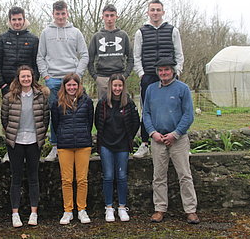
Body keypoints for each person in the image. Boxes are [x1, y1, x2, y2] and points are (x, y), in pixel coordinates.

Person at [142, 58, 199, 224]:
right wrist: (152, 133)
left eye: (166, 70)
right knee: (158, 177)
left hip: (178, 139)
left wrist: (176, 134)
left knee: (184, 175)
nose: (163, 73)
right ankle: (159, 209)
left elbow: (188, 115)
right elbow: (146, 114)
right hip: (158, 139)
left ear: (173, 71)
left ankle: (190, 210)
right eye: (160, 70)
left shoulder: (183, 89)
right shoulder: (151, 89)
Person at [37, 1, 89, 161]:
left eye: (63, 13)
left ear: (67, 13)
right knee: (55, 115)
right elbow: (40, 56)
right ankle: (55, 146)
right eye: (57, 14)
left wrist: (77, 75)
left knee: (76, 115)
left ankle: (79, 146)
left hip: (72, 80)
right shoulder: (46, 33)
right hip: (53, 80)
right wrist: (46, 76)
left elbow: (84, 55)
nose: (60, 17)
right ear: (53, 14)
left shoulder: (76, 32)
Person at [133, 0, 184, 158]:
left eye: (158, 10)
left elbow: (179, 53)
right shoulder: (140, 32)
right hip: (148, 76)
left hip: (169, 76)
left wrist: (177, 71)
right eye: (152, 10)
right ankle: (144, 144)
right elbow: (137, 56)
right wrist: (141, 74)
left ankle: (177, 142)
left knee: (173, 108)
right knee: (146, 110)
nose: (155, 12)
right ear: (148, 12)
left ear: (163, 12)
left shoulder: (172, 30)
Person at [1, 65, 50, 227]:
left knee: (33, 177)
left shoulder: (41, 96)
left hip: (34, 142)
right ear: (18, 78)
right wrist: (12, 135)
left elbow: (45, 118)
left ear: (32, 77)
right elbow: (5, 119)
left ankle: (33, 213)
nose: (26, 79)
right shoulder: (9, 97)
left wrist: (40, 137)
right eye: (23, 77)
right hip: (16, 142)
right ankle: (15, 214)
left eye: (28, 76)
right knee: (16, 177)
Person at [95, 74, 140, 222]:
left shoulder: (129, 102)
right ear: (110, 86)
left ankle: (122, 207)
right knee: (108, 176)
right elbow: (98, 123)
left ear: (123, 86)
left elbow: (135, 122)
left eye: (120, 85)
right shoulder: (102, 103)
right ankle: (108, 208)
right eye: (115, 85)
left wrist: (128, 138)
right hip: (106, 145)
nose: (117, 88)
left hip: (122, 146)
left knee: (121, 177)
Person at [51, 73, 93, 225]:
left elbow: (90, 121)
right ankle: (67, 210)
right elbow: (55, 124)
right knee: (66, 180)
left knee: (82, 179)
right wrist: (63, 136)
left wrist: (82, 135)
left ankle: (82, 210)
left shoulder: (87, 101)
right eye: (69, 85)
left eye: (74, 84)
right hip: (65, 145)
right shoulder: (57, 102)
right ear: (64, 86)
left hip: (83, 144)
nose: (72, 87)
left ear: (78, 85)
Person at [88, 5, 134, 99]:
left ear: (116, 17)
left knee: (123, 107)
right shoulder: (97, 36)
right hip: (102, 77)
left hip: (119, 77)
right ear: (102, 17)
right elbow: (89, 59)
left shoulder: (123, 35)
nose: (109, 19)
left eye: (112, 15)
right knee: (104, 108)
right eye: (107, 15)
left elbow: (131, 58)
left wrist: (125, 75)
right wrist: (95, 77)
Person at [0, 6, 39, 97]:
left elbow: (36, 62)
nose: (17, 22)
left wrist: (34, 81)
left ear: (24, 20)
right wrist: (1, 84)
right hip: (7, 85)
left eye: (19, 19)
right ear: (10, 21)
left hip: (27, 84)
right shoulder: (2, 38)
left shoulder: (33, 39)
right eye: (14, 19)